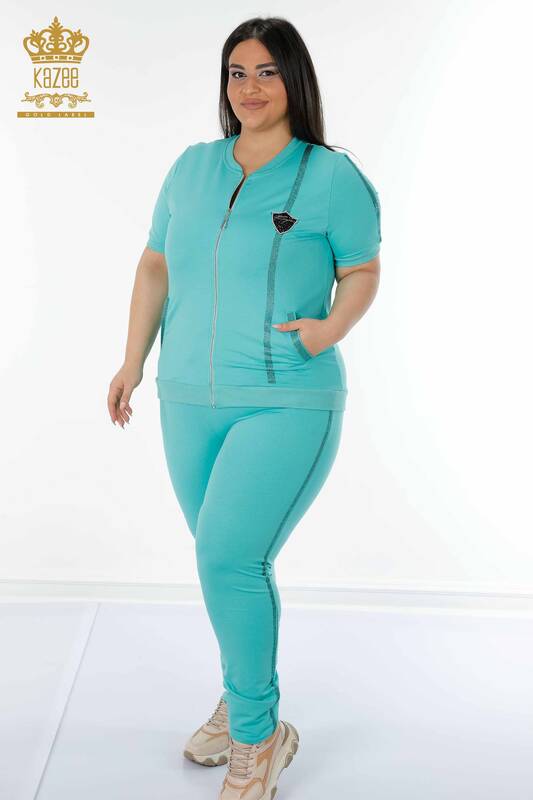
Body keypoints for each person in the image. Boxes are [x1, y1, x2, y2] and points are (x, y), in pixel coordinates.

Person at [107, 15, 381, 800]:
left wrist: (328, 328)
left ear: (294, 80)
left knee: (229, 557)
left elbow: (361, 270)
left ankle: (258, 738)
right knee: (221, 562)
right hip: (187, 398)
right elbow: (155, 265)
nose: (249, 87)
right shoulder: (191, 167)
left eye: (266, 71)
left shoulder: (329, 175)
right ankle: (243, 695)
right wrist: (133, 361)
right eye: (236, 72)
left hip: (285, 398)